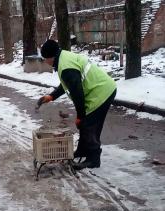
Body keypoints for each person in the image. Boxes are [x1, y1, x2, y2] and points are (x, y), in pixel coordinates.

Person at [37, 39, 117, 170]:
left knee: (88, 124)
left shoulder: (66, 66)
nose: (45, 61)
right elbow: (68, 84)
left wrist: (80, 116)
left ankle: (94, 159)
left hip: (101, 92)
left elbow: (77, 93)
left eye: (45, 58)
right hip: (101, 89)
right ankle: (83, 151)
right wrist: (52, 96)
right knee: (86, 124)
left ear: (51, 57)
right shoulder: (64, 58)